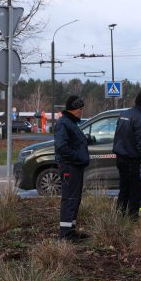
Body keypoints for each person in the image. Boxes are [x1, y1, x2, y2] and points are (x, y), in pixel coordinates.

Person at [112, 91, 141, 218]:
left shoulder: (124, 114)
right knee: (135, 191)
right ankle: (132, 218)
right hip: (133, 160)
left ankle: (118, 216)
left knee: (123, 189)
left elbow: (118, 136)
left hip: (120, 158)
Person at [54, 95, 90, 241]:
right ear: (74, 109)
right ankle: (66, 234)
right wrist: (79, 156)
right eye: (80, 109)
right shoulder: (64, 123)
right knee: (69, 199)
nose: (81, 112)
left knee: (74, 199)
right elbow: (62, 147)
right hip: (70, 167)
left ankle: (70, 231)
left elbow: (73, 142)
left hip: (75, 167)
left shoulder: (70, 123)